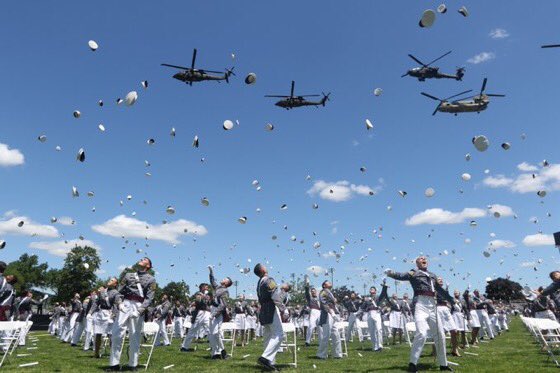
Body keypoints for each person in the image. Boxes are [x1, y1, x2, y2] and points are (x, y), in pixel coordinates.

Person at [386, 256, 454, 372]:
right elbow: (401, 276)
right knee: (422, 333)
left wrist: (451, 299)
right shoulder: (414, 273)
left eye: (425, 258)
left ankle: (443, 364)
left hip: (433, 305)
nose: (424, 259)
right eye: (420, 259)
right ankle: (412, 364)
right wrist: (390, 273)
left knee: (440, 335)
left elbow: (439, 289)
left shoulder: (433, 275)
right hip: (420, 304)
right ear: (417, 263)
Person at [107, 257, 156, 371]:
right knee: (116, 334)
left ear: (148, 266)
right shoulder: (128, 275)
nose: (141, 259)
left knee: (135, 335)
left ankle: (132, 364)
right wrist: (119, 303)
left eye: (144, 259)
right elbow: (119, 291)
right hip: (125, 304)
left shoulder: (151, 279)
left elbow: (149, 298)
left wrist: (140, 310)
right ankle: (114, 364)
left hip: (138, 305)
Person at [254, 263, 283, 371]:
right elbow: (275, 295)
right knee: (279, 334)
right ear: (262, 270)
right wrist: (283, 308)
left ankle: (269, 362)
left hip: (264, 309)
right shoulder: (269, 280)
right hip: (270, 308)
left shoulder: (259, 282)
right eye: (263, 266)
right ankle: (266, 358)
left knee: (268, 335)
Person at [208, 266, 233, 359]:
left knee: (215, 333)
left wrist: (214, 314)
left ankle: (222, 351)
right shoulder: (218, 287)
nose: (223, 279)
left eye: (225, 279)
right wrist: (211, 272)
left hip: (217, 313)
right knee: (211, 334)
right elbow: (212, 281)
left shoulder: (225, 291)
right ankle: (215, 353)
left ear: (227, 283)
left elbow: (223, 305)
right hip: (213, 310)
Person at [180, 283, 211, 352]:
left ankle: (213, 346)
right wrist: (204, 296)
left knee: (210, 329)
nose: (207, 288)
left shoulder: (207, 294)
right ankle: (184, 347)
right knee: (192, 330)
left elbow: (208, 303)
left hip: (206, 313)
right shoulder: (198, 293)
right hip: (199, 313)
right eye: (206, 287)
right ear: (202, 288)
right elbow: (198, 301)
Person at [94, 278, 119, 358]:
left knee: (111, 334)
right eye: (109, 280)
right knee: (98, 333)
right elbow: (96, 303)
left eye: (112, 280)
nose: (109, 281)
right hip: (101, 313)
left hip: (109, 313)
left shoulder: (116, 293)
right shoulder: (102, 291)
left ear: (115, 284)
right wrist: (90, 313)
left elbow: (115, 305)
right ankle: (96, 353)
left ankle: (112, 353)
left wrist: (114, 314)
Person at [317, 280, 342, 359]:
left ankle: (337, 354)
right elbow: (324, 303)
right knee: (326, 335)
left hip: (332, 314)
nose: (330, 283)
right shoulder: (323, 292)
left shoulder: (329, 292)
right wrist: (331, 312)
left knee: (336, 334)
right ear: (324, 285)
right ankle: (321, 354)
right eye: (328, 282)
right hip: (327, 314)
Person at [359, 283, 387, 352]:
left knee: (379, 329)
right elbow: (363, 307)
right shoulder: (367, 299)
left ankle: (380, 345)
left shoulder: (377, 297)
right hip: (369, 314)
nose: (371, 290)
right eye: (370, 289)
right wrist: (361, 302)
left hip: (376, 313)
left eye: (373, 289)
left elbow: (383, 294)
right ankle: (374, 347)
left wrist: (384, 287)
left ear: (375, 291)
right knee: (372, 331)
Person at [304, 276, 322, 346]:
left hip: (320, 312)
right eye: (312, 291)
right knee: (311, 326)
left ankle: (321, 341)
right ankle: (307, 341)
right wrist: (307, 284)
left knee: (320, 327)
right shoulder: (310, 298)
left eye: (314, 291)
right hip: (313, 311)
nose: (313, 292)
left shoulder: (319, 298)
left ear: (316, 292)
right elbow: (306, 292)